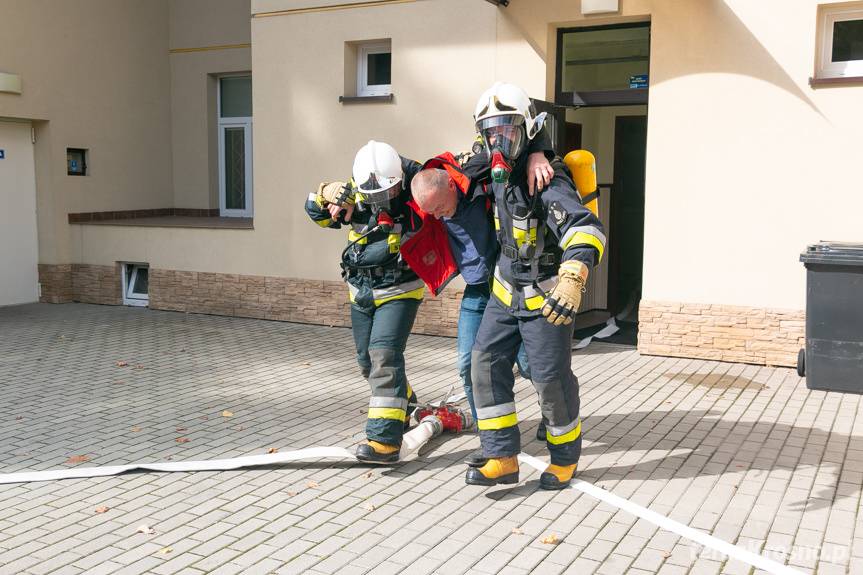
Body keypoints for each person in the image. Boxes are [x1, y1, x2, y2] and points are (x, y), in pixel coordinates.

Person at [464, 82, 606, 490]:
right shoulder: (492, 167)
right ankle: (501, 457)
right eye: (490, 133)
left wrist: (574, 277)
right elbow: (439, 173)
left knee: (550, 380)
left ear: (526, 130)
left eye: (507, 131)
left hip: (548, 298)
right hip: (504, 294)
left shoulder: (547, 178)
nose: (498, 141)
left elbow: (584, 228)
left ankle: (564, 457)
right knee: (485, 366)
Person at [305, 140, 424, 464]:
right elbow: (319, 214)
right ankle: (405, 402)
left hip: (400, 290)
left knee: (384, 354)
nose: (380, 202)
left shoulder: (414, 191)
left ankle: (384, 440)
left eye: (386, 193)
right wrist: (324, 194)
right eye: (373, 196)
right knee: (366, 362)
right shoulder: (358, 193)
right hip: (361, 292)